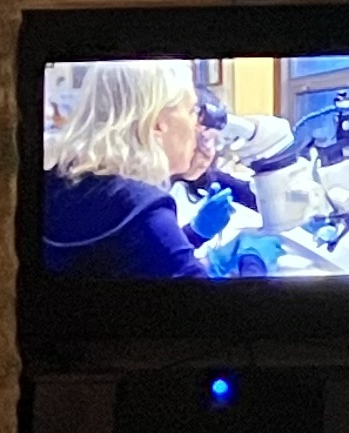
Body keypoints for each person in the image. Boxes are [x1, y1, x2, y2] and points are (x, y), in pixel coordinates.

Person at [43, 60, 280, 277]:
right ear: (157, 123)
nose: (197, 125)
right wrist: (253, 263)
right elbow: (212, 309)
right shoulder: (146, 212)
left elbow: (132, 258)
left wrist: (194, 235)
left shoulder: (57, 184)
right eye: (192, 111)